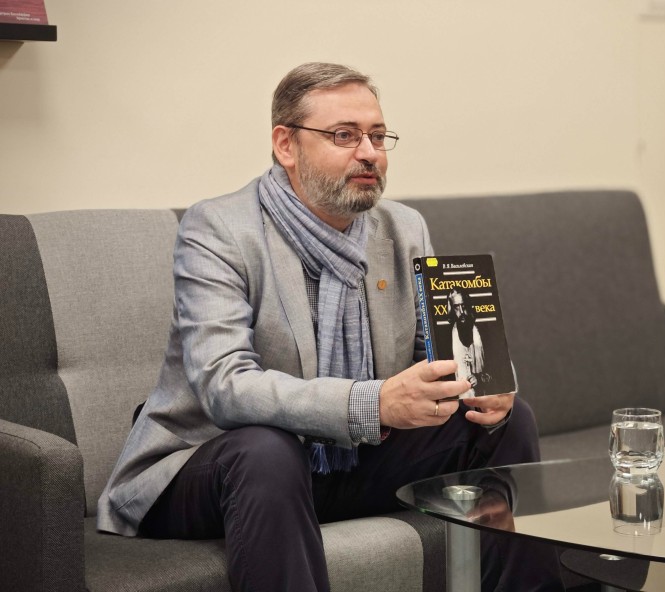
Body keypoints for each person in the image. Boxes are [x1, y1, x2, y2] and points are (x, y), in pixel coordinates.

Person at [97, 62, 563, 592]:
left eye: (378, 136)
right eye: (344, 135)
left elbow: (432, 356)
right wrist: (373, 403)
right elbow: (224, 386)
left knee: (505, 422)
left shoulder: (403, 227)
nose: (369, 153)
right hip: (216, 465)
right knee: (267, 450)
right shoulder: (219, 229)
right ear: (286, 145)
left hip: (348, 461)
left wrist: (482, 381)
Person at [448, 288, 489, 398]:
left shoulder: (485, 334)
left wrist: (479, 378)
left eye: (464, 306)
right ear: (452, 309)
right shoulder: (446, 339)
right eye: (456, 307)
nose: (461, 312)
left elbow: (498, 370)